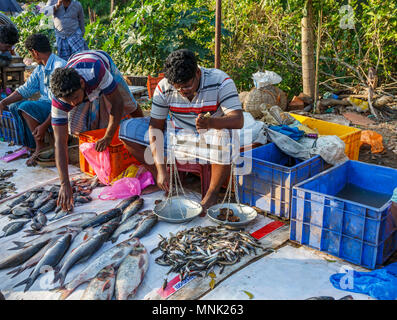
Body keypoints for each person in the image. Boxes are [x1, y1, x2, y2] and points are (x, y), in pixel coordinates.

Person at [118, 49, 244, 212]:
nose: (182, 91)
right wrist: (161, 169)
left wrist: (211, 122)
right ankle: (163, 179)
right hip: (177, 136)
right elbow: (155, 126)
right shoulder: (164, 87)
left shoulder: (220, 80)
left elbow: (238, 120)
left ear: (197, 73)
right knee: (127, 128)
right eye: (177, 88)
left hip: (211, 136)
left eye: (187, 86)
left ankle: (212, 195)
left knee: (225, 135)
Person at [50, 49, 144, 211]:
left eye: (74, 98)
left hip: (101, 61)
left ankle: (144, 135)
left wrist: (108, 136)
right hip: (78, 69)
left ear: (81, 84)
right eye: (68, 101)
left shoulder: (96, 71)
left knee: (129, 105)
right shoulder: (59, 99)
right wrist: (64, 183)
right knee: (79, 125)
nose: (72, 104)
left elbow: (118, 103)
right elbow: (60, 142)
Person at [0, 33, 66, 165]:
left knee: (26, 107)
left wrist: (43, 126)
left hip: (60, 107)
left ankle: (39, 147)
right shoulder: (40, 68)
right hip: (46, 105)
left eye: (30, 53)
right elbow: (26, 89)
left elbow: (60, 103)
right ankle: (30, 145)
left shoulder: (58, 66)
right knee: (14, 106)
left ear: (34, 52)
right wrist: (3, 102)